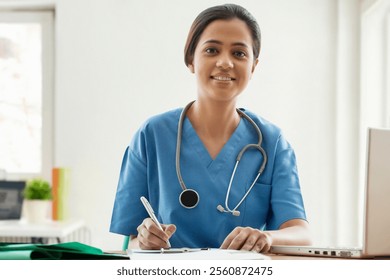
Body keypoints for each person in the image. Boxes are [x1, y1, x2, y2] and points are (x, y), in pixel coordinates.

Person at [110, 3, 312, 253]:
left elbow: (300, 232)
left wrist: (265, 237)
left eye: (239, 53)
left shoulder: (272, 142)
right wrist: (144, 240)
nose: (225, 63)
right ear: (191, 60)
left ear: (253, 66)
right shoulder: (152, 135)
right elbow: (129, 241)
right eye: (212, 50)